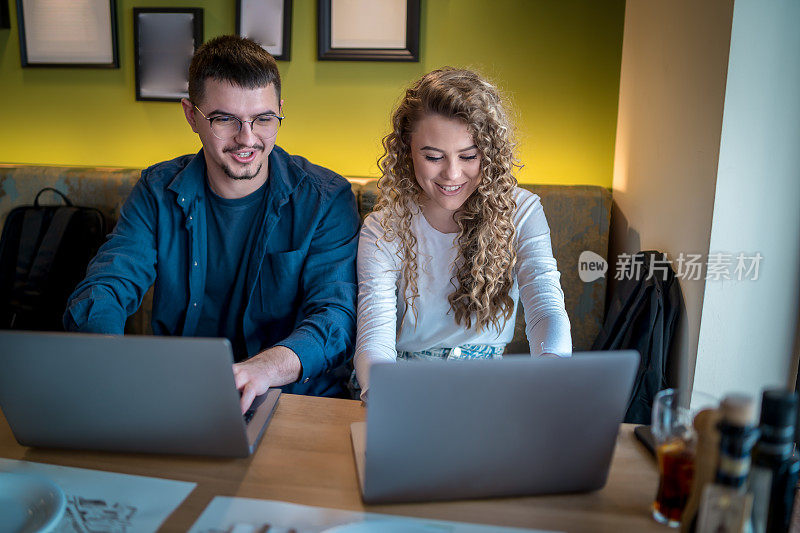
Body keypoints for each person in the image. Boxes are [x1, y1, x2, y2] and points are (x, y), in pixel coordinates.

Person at [64, 36, 360, 411]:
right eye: (225, 120)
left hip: (294, 401)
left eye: (264, 119)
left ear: (279, 111)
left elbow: (337, 315)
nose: (247, 139)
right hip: (179, 396)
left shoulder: (325, 198)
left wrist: (264, 369)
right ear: (192, 115)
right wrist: (108, 359)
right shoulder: (157, 190)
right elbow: (108, 282)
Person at [353, 68, 572, 400]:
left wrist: (552, 368)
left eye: (468, 156)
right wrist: (380, 391)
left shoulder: (522, 211)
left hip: (488, 387)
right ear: (407, 150)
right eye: (433, 156)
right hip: (404, 386)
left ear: (490, 152)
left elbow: (546, 307)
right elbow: (374, 335)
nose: (452, 174)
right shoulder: (383, 229)